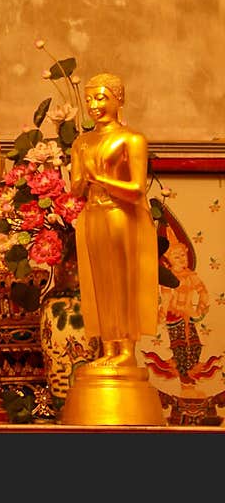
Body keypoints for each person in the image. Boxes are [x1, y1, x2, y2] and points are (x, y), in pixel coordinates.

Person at [69, 72, 160, 371]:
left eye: (101, 98)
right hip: (92, 215)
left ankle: (126, 349)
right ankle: (108, 346)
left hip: (119, 214)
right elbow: (76, 188)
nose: (94, 105)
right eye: (89, 99)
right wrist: (83, 179)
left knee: (122, 281)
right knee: (99, 282)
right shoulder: (82, 141)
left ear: (118, 99)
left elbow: (135, 189)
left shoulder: (131, 139)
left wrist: (102, 179)